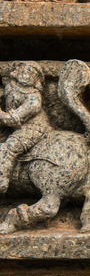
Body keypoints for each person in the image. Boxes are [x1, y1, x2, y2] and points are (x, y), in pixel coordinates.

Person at [0, 62, 50, 194]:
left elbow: (11, 119)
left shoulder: (34, 99)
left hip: (32, 128)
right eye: (22, 69)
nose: (24, 73)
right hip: (12, 127)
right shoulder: (10, 86)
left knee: (8, 148)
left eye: (30, 72)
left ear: (36, 80)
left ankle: (2, 180)